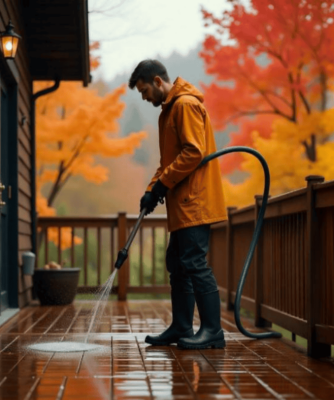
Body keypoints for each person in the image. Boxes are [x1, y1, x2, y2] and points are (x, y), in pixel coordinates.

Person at [128, 60, 227, 350]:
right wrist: (152, 190)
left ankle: (212, 331)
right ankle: (182, 326)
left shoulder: (184, 105)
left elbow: (193, 153)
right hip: (182, 203)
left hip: (194, 201)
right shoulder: (168, 112)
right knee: (178, 263)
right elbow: (168, 163)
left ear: (158, 81)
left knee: (195, 263)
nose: (145, 98)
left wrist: (163, 184)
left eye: (145, 91)